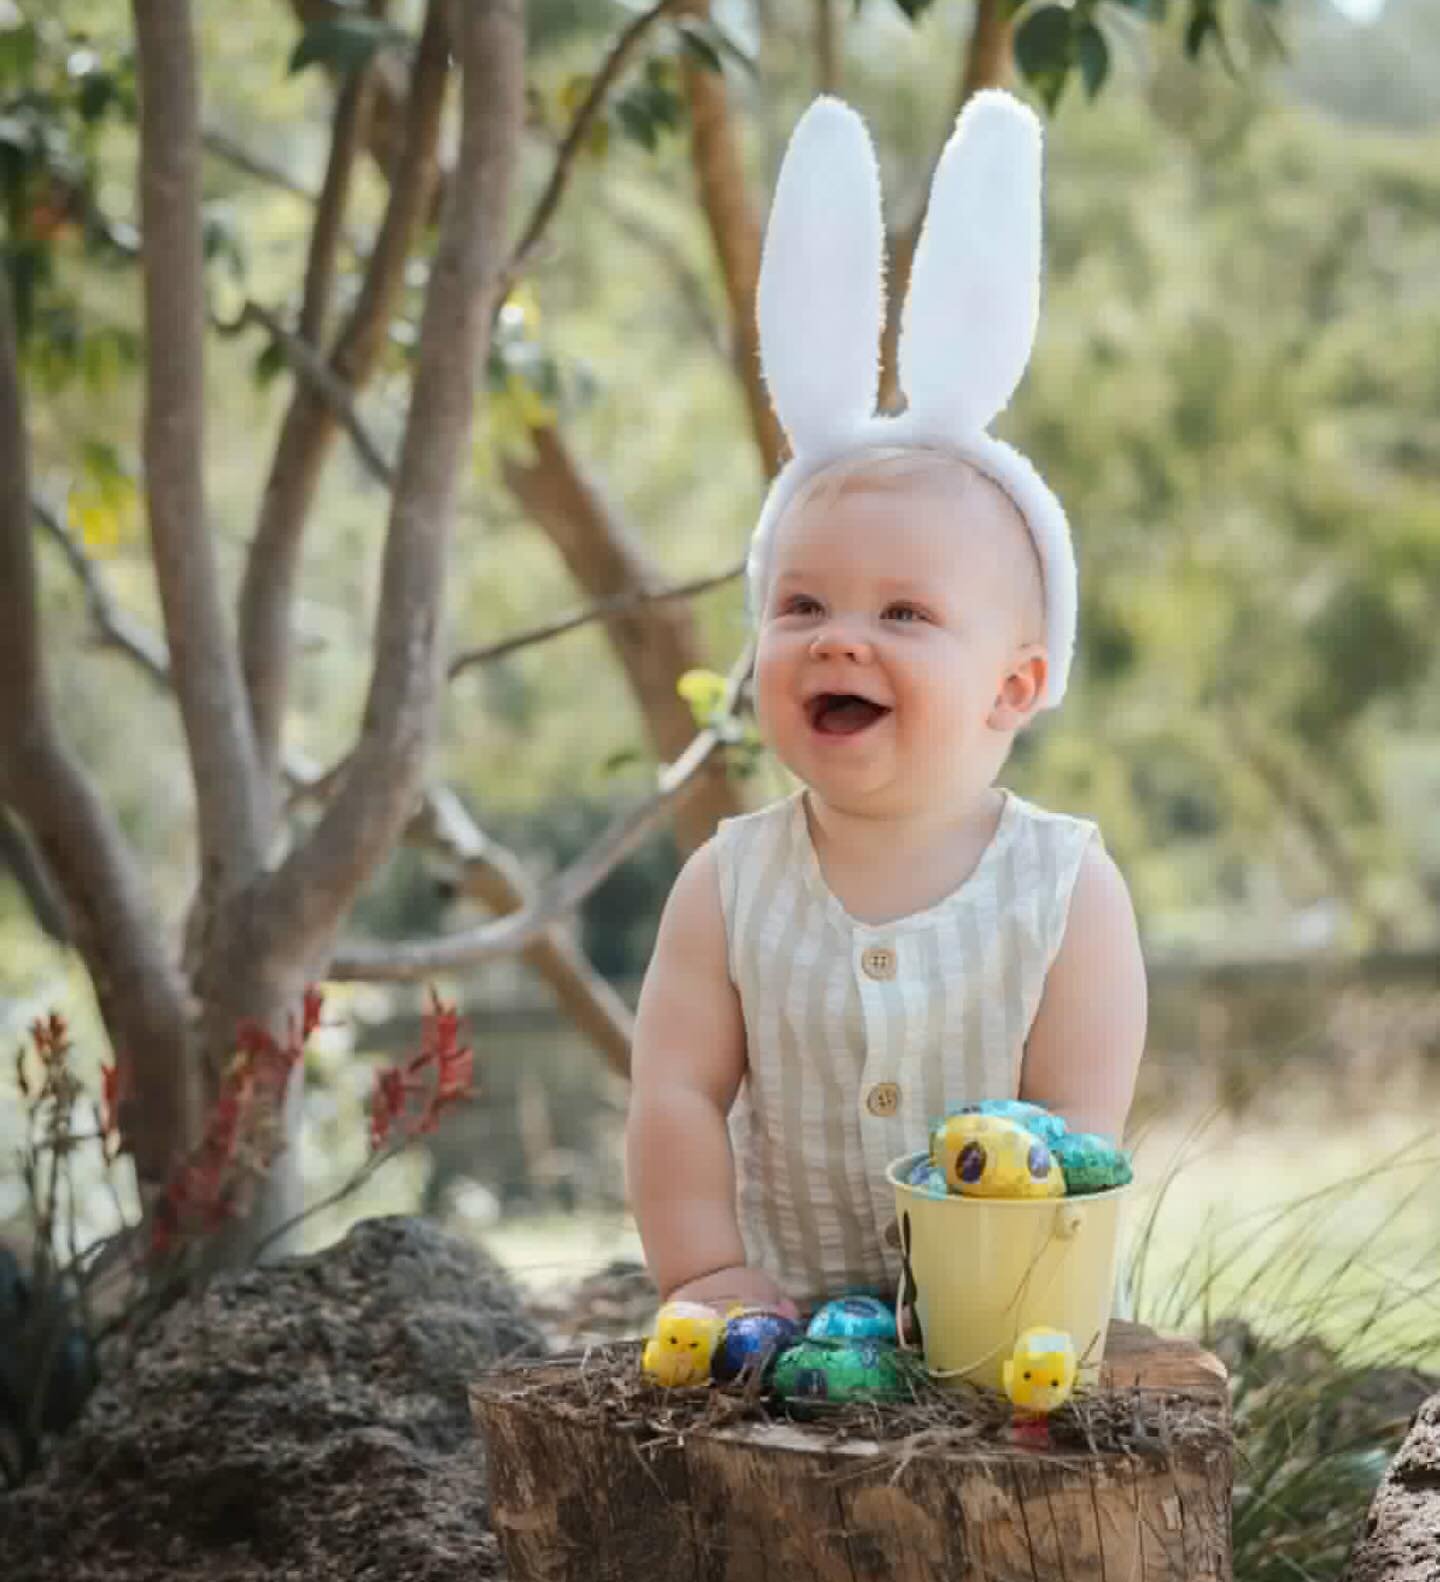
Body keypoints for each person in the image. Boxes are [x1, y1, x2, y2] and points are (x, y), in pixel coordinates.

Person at [625, 90, 1147, 1320]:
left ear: (1016, 684)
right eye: (801, 605)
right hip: (780, 1325)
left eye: (905, 614)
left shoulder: (1065, 892)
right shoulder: (728, 886)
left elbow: (1078, 1130)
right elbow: (675, 1095)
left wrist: (1015, 1301)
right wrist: (706, 1272)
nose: (840, 638)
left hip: (1000, 1325)